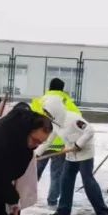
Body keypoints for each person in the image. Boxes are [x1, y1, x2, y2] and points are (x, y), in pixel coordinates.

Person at [42, 92, 108, 215]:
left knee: (88, 182)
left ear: (55, 109)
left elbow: (90, 130)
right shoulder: (55, 123)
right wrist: (37, 154)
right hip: (71, 156)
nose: (47, 115)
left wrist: (78, 145)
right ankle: (63, 211)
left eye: (48, 112)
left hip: (85, 154)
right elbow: (48, 141)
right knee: (65, 181)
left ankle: (104, 214)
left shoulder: (73, 119)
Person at [30, 79, 77, 208]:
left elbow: (32, 119)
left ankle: (27, 197)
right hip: (60, 144)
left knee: (34, 172)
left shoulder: (41, 101)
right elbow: (76, 117)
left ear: (49, 87)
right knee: (56, 174)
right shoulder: (66, 102)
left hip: (41, 141)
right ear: (62, 89)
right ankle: (52, 201)